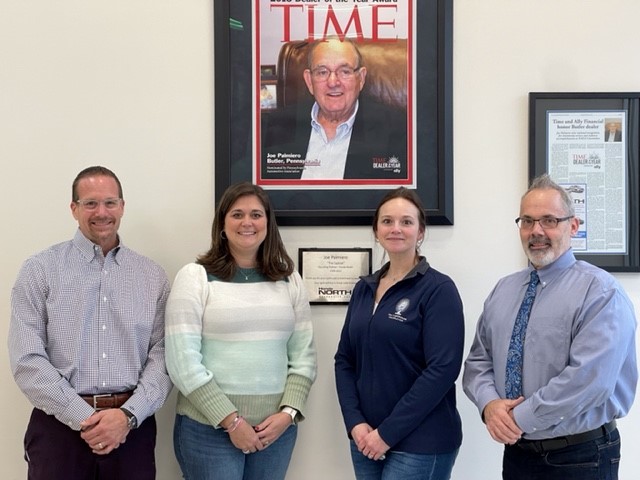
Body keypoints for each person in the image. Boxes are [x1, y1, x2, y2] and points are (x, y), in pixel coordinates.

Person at [463, 174, 638, 480]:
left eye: (549, 220)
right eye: (527, 221)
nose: (536, 231)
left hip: (580, 456)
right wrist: (489, 405)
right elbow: (479, 361)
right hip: (518, 453)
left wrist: (518, 418)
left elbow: (589, 380)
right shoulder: (503, 290)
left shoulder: (600, 292)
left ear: (573, 226)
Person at [8, 166, 173, 480]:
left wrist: (126, 416)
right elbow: (27, 360)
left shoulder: (152, 276)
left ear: (122, 207)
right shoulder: (39, 270)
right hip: (59, 431)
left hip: (131, 431)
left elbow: (164, 356)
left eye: (110, 203)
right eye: (90, 203)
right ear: (74, 209)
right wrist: (85, 418)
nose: (102, 212)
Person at [165, 181, 317, 480]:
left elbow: (304, 356)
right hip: (208, 429)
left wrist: (287, 415)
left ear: (267, 224)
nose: (247, 222)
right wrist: (232, 422)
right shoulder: (195, 277)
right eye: (237, 214)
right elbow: (181, 361)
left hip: (275, 431)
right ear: (222, 224)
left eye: (256, 215)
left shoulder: (290, 280)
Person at [334, 187, 464, 480]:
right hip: (365, 439)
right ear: (376, 230)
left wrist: (387, 434)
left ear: (420, 232)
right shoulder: (364, 289)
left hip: (421, 442)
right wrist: (355, 424)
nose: (396, 229)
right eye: (387, 221)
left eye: (406, 222)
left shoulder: (438, 290)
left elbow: (442, 370)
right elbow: (344, 360)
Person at [261, 37, 408, 181]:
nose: (333, 82)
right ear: (309, 81)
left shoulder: (397, 131)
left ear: (361, 78)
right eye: (322, 72)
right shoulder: (274, 126)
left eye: (344, 71)